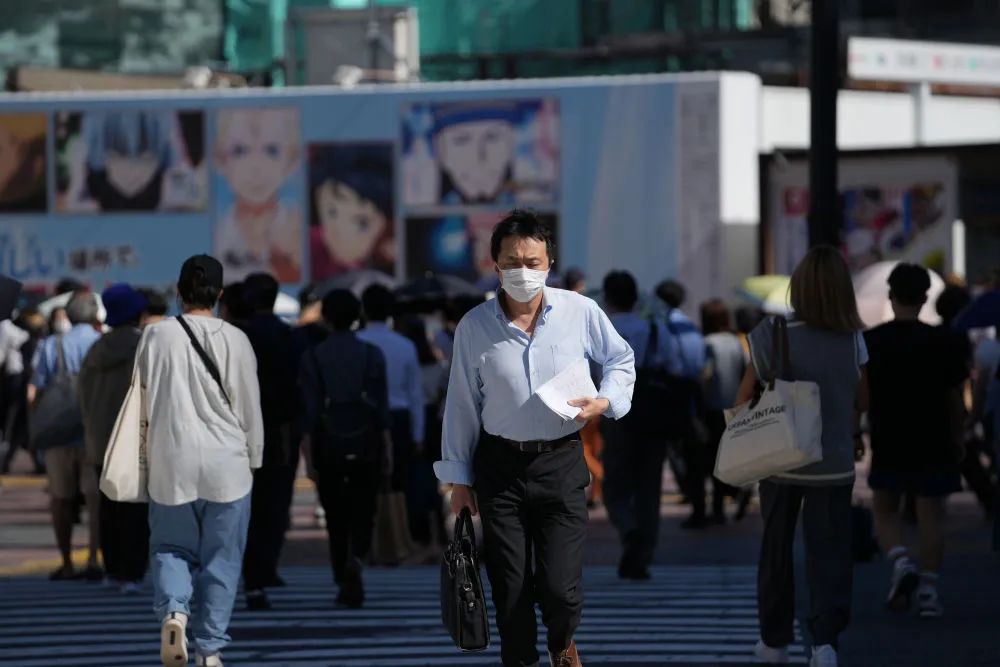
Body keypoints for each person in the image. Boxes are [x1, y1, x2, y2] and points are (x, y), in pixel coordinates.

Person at [437, 210, 636, 667]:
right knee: (509, 587)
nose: (523, 271)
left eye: (532, 261)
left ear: (549, 262)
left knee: (560, 590)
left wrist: (605, 401)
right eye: (513, 261)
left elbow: (621, 359)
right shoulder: (475, 326)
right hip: (499, 470)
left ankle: (562, 643)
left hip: (561, 463)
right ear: (495, 264)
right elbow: (462, 405)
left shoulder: (580, 311)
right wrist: (459, 482)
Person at [737, 246, 869, 667]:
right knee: (829, 552)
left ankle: (774, 641)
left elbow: (742, 398)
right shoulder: (853, 338)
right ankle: (824, 643)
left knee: (776, 548)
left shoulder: (772, 333)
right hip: (833, 461)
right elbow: (862, 398)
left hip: (779, 458)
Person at [141, 255, 263, 667]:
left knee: (170, 548)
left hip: (171, 458)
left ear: (178, 292)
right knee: (222, 559)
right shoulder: (237, 340)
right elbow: (249, 408)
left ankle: (175, 612)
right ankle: (209, 649)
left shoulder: (156, 337)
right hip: (227, 464)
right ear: (220, 295)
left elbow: (142, 402)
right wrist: (256, 457)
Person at [864, 264, 966, 620]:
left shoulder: (871, 342)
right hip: (935, 437)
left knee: (885, 510)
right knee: (932, 517)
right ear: (925, 298)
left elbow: (862, 396)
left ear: (891, 296)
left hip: (889, 436)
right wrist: (960, 435)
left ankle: (900, 559)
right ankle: (929, 591)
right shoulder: (946, 341)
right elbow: (956, 397)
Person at [299, 289, 391, 608]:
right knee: (364, 511)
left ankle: (341, 573)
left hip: (328, 442)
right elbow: (382, 409)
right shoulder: (372, 354)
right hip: (367, 441)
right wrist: (387, 448)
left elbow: (308, 414)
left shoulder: (313, 356)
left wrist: (308, 457)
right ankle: (358, 559)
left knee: (336, 515)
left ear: (326, 316)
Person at [599, 270, 672, 580]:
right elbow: (673, 365)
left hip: (616, 412)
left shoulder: (602, 331)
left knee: (614, 484)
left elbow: (589, 372)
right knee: (649, 485)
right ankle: (644, 552)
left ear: (607, 297)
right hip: (654, 412)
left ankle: (628, 528)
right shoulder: (655, 330)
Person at [78, 284, 150, 594]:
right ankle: (132, 572)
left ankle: (113, 569)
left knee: (107, 508)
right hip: (134, 440)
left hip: (100, 440)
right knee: (135, 510)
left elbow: (82, 395)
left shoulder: (97, 349)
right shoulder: (144, 346)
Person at [28, 291, 102, 581]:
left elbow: (34, 389)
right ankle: (95, 558)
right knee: (96, 500)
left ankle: (67, 561)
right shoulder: (100, 344)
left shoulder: (51, 345)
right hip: (93, 432)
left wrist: (35, 429)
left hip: (58, 434)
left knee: (60, 500)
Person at [240, 273, 300, 611]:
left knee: (244, 506)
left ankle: (250, 574)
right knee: (273, 506)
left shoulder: (239, 336)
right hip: (278, 431)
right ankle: (265, 570)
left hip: (241, 432)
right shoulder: (287, 335)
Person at [213, 108, 303, 283]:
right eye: (240, 150)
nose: (256, 167)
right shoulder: (218, 231)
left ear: (292, 160)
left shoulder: (296, 228)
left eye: (271, 150)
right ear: (221, 159)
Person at [358, 285, 425, 506]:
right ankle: (398, 535)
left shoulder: (358, 342)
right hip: (400, 420)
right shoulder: (405, 346)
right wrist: (418, 435)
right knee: (399, 486)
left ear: (364, 309)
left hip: (365, 420)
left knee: (366, 485)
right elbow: (415, 393)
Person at [653, 279, 708, 529]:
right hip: (693, 392)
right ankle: (698, 503)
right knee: (693, 450)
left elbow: (664, 361)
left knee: (675, 449)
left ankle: (694, 500)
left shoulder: (664, 326)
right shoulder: (690, 326)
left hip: (672, 393)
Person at [395, 313, 448, 546]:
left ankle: (419, 534)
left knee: (414, 479)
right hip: (434, 424)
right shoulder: (438, 365)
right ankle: (439, 532)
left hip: (413, 422)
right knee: (436, 479)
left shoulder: (405, 358)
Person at [699, 299, 747, 524]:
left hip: (712, 407)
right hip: (735, 406)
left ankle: (718, 506)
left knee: (711, 458)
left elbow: (706, 375)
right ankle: (734, 492)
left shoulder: (707, 343)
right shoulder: (736, 342)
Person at [1, 308, 45, 474]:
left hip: (23, 383)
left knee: (21, 426)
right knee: (20, 425)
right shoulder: (25, 338)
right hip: (21, 384)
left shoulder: (28, 338)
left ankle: (12, 459)